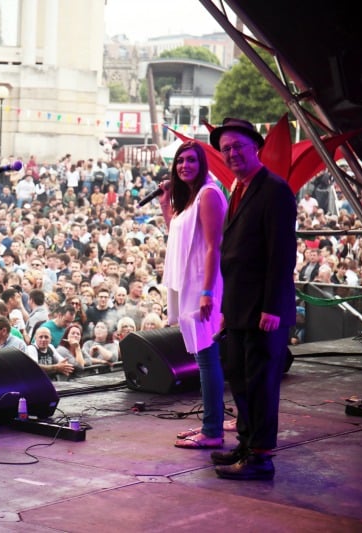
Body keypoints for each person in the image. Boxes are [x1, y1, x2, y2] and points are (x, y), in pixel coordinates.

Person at [210, 118, 297, 481]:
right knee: (242, 380)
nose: (231, 153)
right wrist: (226, 309)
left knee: (260, 385)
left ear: (255, 147)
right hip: (239, 307)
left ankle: (261, 457)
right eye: (226, 148)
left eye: (238, 147)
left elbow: (281, 253)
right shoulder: (238, 188)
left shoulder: (274, 189)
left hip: (264, 310)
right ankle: (247, 445)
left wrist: (273, 307)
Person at [160, 140, 227, 450]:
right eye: (180, 161)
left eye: (191, 160)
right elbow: (178, 235)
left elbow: (214, 246)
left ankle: (212, 431)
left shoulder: (209, 194)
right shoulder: (190, 199)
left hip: (202, 286)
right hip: (191, 287)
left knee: (208, 360)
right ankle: (210, 425)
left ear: (202, 164)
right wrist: (164, 206)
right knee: (205, 358)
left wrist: (207, 291)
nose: (184, 165)